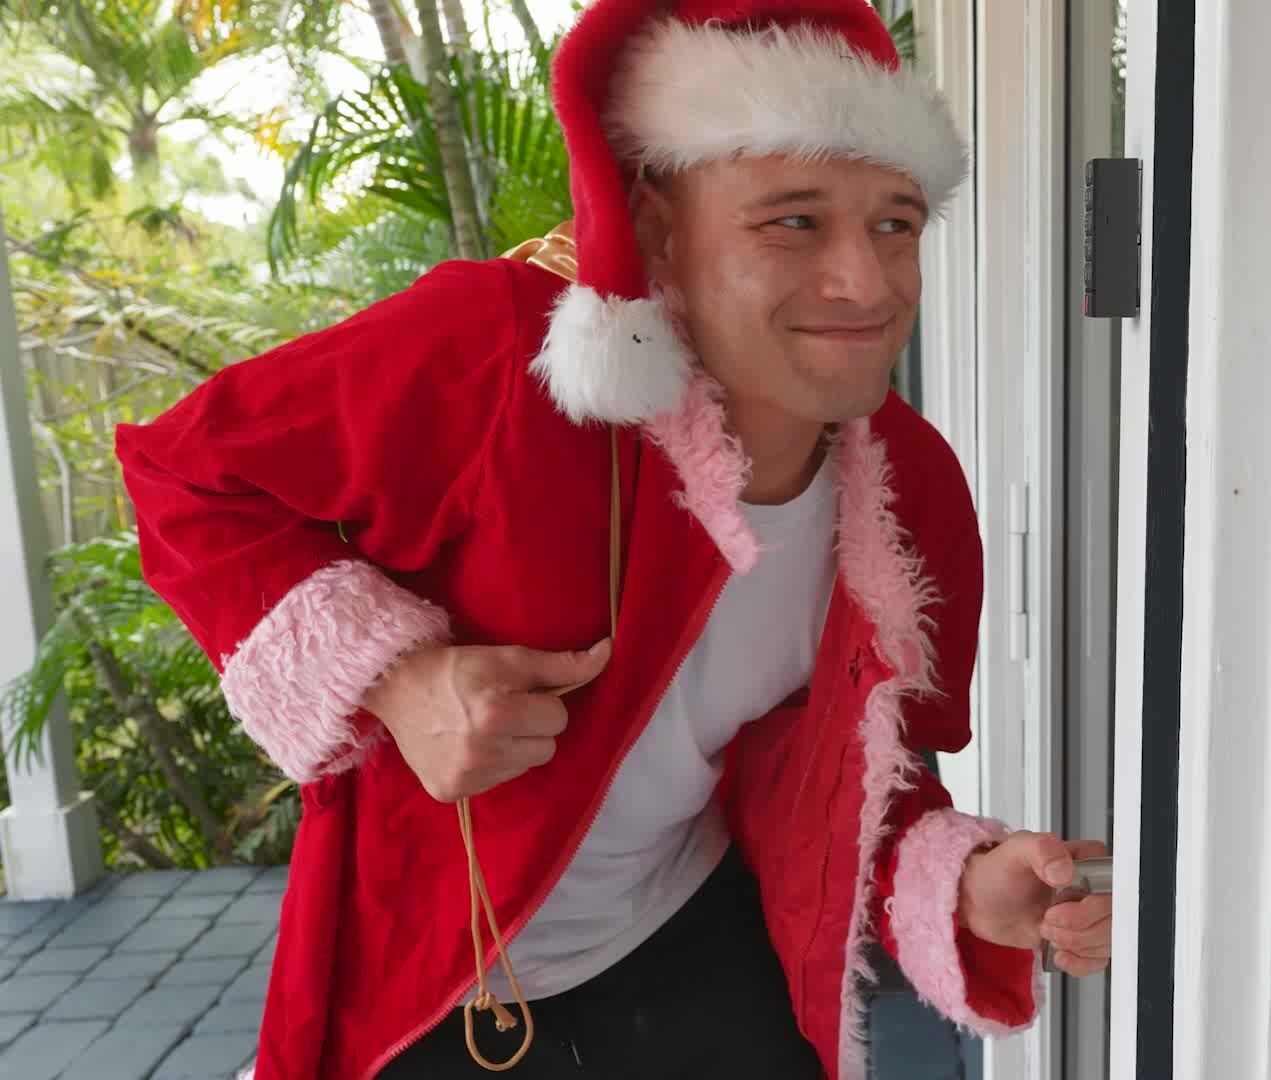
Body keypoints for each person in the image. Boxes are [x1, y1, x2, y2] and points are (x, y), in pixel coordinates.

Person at [113, 1, 1113, 1076]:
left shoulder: (910, 491)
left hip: (692, 934)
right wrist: (399, 681)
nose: (865, 283)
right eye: (793, 221)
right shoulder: (505, 354)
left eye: (895, 223)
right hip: (433, 976)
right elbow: (185, 473)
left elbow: (838, 773)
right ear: (656, 227)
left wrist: (966, 883)